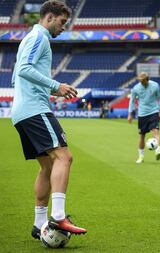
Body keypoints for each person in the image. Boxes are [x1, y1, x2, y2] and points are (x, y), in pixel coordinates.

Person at [10, 0, 87, 240]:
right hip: (34, 110)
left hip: (22, 111)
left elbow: (16, 77)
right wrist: (56, 85)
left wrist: (55, 91)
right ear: (50, 17)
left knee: (47, 165)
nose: (64, 27)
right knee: (64, 157)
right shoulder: (39, 38)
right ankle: (59, 216)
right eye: (63, 22)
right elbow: (23, 69)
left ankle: (39, 223)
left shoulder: (29, 39)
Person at [127, 72, 160, 163]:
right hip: (142, 114)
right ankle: (141, 157)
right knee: (142, 136)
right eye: (141, 81)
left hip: (153, 112)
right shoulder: (136, 88)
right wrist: (130, 114)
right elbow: (132, 101)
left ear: (148, 79)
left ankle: (158, 151)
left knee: (155, 131)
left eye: (143, 81)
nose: (142, 83)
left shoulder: (155, 85)